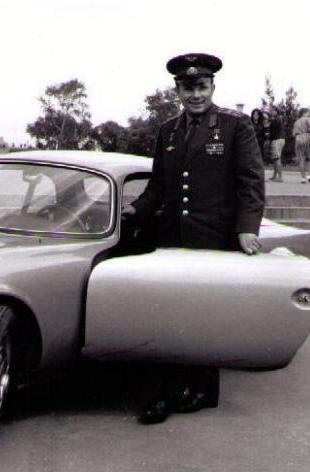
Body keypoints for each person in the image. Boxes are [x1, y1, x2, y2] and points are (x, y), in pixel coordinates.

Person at [122, 53, 265, 424]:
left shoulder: (235, 126)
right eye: (188, 88)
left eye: (202, 87)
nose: (196, 95)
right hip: (174, 236)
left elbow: (251, 182)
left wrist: (247, 227)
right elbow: (158, 185)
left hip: (214, 236)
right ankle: (172, 389)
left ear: (213, 87)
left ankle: (200, 391)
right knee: (171, 311)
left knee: (204, 314)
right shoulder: (168, 130)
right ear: (178, 91)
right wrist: (134, 210)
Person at [293, 108, 310, 183]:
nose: (309, 114)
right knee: (309, 158)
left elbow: (293, 133)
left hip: (298, 138)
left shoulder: (296, 122)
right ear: (304, 113)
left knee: (301, 159)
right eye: (308, 112)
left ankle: (303, 178)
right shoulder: (307, 119)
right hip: (307, 137)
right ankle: (309, 175)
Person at [269, 108, 285, 182]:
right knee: (275, 159)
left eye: (273, 110)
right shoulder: (278, 119)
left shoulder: (277, 119)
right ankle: (275, 176)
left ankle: (280, 177)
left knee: (277, 158)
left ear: (276, 111)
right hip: (279, 139)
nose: (271, 112)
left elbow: (273, 131)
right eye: (271, 110)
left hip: (277, 140)